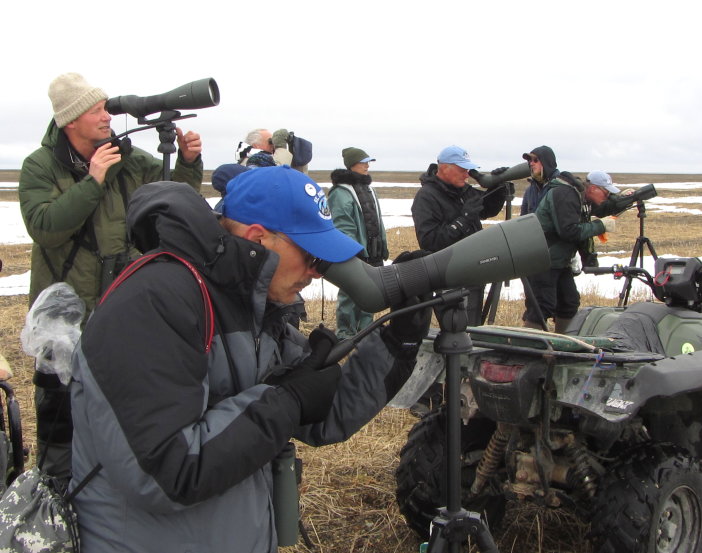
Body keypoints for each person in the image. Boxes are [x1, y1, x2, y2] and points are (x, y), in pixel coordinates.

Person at [68, 166, 432, 553]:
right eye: (310, 254)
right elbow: (165, 471)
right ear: (258, 238)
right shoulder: (153, 301)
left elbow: (325, 411)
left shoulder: (253, 307)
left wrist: (399, 338)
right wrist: (286, 399)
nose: (315, 271)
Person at [18, 72, 203, 479]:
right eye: (96, 110)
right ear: (71, 121)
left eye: (105, 107)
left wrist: (189, 163)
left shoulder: (126, 160)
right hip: (61, 318)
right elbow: (45, 226)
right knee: (58, 424)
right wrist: (93, 180)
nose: (108, 116)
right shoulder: (40, 166)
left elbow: (171, 196)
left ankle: (107, 491)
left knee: (116, 409)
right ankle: (53, 502)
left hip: (117, 307)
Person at [521, 146, 615, 333]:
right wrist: (600, 226)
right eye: (606, 193)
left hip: (557, 260)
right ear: (594, 189)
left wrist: (629, 199)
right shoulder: (564, 193)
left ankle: (563, 345)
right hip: (542, 258)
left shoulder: (572, 192)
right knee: (541, 306)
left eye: (535, 160)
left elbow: (597, 209)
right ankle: (530, 350)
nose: (607, 198)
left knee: (568, 302)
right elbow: (568, 231)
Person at [411, 145, 505, 325]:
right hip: (449, 277)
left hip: (474, 271)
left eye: (468, 170)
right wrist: (464, 219)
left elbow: (489, 209)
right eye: (462, 169)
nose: (467, 174)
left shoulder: (463, 190)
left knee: (473, 328)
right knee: (457, 331)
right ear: (444, 167)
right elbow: (430, 242)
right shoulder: (426, 197)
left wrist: (498, 186)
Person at [328, 147, 389, 339]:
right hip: (354, 253)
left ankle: (365, 331)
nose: (367, 166)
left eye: (367, 162)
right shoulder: (340, 192)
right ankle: (345, 333)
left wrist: (382, 247)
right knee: (349, 293)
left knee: (370, 291)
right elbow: (342, 224)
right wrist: (353, 251)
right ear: (352, 164)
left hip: (373, 252)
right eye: (363, 162)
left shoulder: (369, 189)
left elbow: (378, 221)